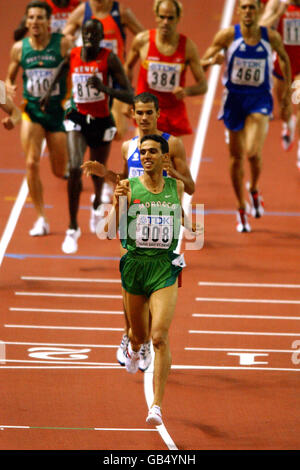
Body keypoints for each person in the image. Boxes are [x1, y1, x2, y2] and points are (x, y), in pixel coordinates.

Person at [81, 91, 195, 372]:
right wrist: (104, 173)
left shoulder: (173, 144)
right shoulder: (128, 146)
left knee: (151, 282)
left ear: (158, 114)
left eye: (148, 113)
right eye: (138, 113)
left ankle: (142, 337)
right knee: (128, 278)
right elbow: (124, 179)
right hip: (133, 218)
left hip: (162, 220)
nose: (143, 118)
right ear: (132, 114)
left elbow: (190, 186)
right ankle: (132, 336)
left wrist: (174, 173)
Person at [91, 134, 196, 426]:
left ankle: (157, 407)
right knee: (139, 334)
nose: (146, 155)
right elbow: (110, 231)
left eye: (152, 151)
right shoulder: (129, 187)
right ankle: (134, 347)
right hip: (135, 267)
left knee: (160, 336)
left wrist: (192, 226)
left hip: (164, 268)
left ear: (164, 157)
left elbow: (183, 216)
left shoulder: (175, 186)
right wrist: (116, 203)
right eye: (143, 151)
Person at [41, 18, 134, 254]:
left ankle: (95, 202)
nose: (90, 38)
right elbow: (61, 69)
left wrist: (104, 89)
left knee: (97, 170)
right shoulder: (73, 55)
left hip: (101, 121)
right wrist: (49, 92)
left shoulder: (109, 58)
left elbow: (129, 94)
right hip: (77, 118)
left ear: (102, 37)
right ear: (81, 34)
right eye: (87, 33)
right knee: (74, 168)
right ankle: (72, 227)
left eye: (95, 34)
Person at [201, 0, 292, 232]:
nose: (249, 11)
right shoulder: (227, 36)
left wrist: (286, 95)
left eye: (253, 7)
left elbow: (284, 58)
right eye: (245, 7)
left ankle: (254, 188)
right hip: (234, 101)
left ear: (259, 10)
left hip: (260, 99)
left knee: (253, 153)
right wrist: (213, 61)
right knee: (236, 157)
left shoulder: (270, 37)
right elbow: (200, 64)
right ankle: (240, 206)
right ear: (239, 10)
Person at [6, 0, 72, 236]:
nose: (35, 22)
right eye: (31, 18)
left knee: (58, 170)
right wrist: (11, 98)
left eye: (40, 18)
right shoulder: (19, 48)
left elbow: (77, 69)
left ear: (49, 21)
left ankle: (64, 167)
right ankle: (41, 219)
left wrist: (72, 99)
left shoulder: (62, 44)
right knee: (31, 162)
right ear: (27, 21)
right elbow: (9, 78)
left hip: (57, 114)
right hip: (32, 111)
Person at [63, 0, 144, 141]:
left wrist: (134, 57)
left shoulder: (121, 12)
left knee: (117, 131)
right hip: (87, 76)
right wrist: (68, 40)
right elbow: (63, 39)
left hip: (114, 76)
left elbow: (144, 38)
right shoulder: (82, 12)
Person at [124, 0, 207, 137]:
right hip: (146, 109)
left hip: (172, 113)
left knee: (171, 157)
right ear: (156, 17)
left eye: (170, 18)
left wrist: (186, 91)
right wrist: (128, 97)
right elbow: (127, 67)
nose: (165, 22)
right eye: (162, 17)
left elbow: (203, 85)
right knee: (145, 153)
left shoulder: (187, 47)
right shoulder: (142, 41)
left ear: (178, 18)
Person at [260, 0, 300, 168]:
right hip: (284, 62)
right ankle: (288, 122)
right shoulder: (277, 3)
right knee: (284, 105)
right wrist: (277, 14)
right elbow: (260, 28)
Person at [13, 0, 82, 40]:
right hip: (50, 48)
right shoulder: (42, 6)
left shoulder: (77, 4)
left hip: (73, 46)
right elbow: (17, 35)